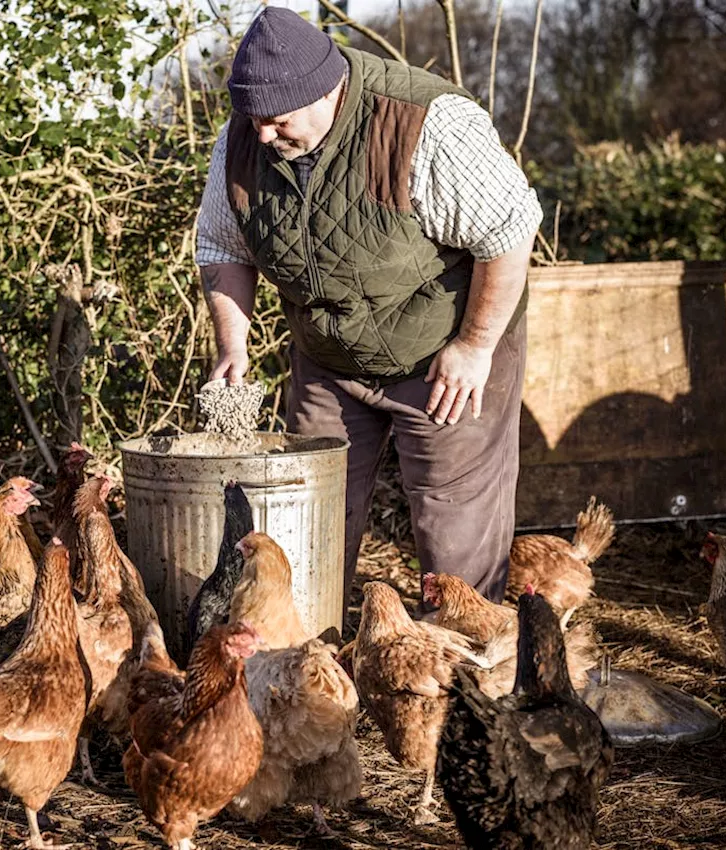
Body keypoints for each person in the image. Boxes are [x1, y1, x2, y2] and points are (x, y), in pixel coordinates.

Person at [195, 6, 541, 616]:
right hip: (328, 355)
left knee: (452, 531)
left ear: (327, 91)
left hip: (442, 349)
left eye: (277, 122)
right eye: (255, 122)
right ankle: (309, 671)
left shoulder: (426, 125)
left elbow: (510, 232)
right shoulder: (243, 140)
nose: (265, 136)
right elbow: (224, 248)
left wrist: (476, 346)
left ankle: (467, 684)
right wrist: (234, 347)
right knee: (307, 522)